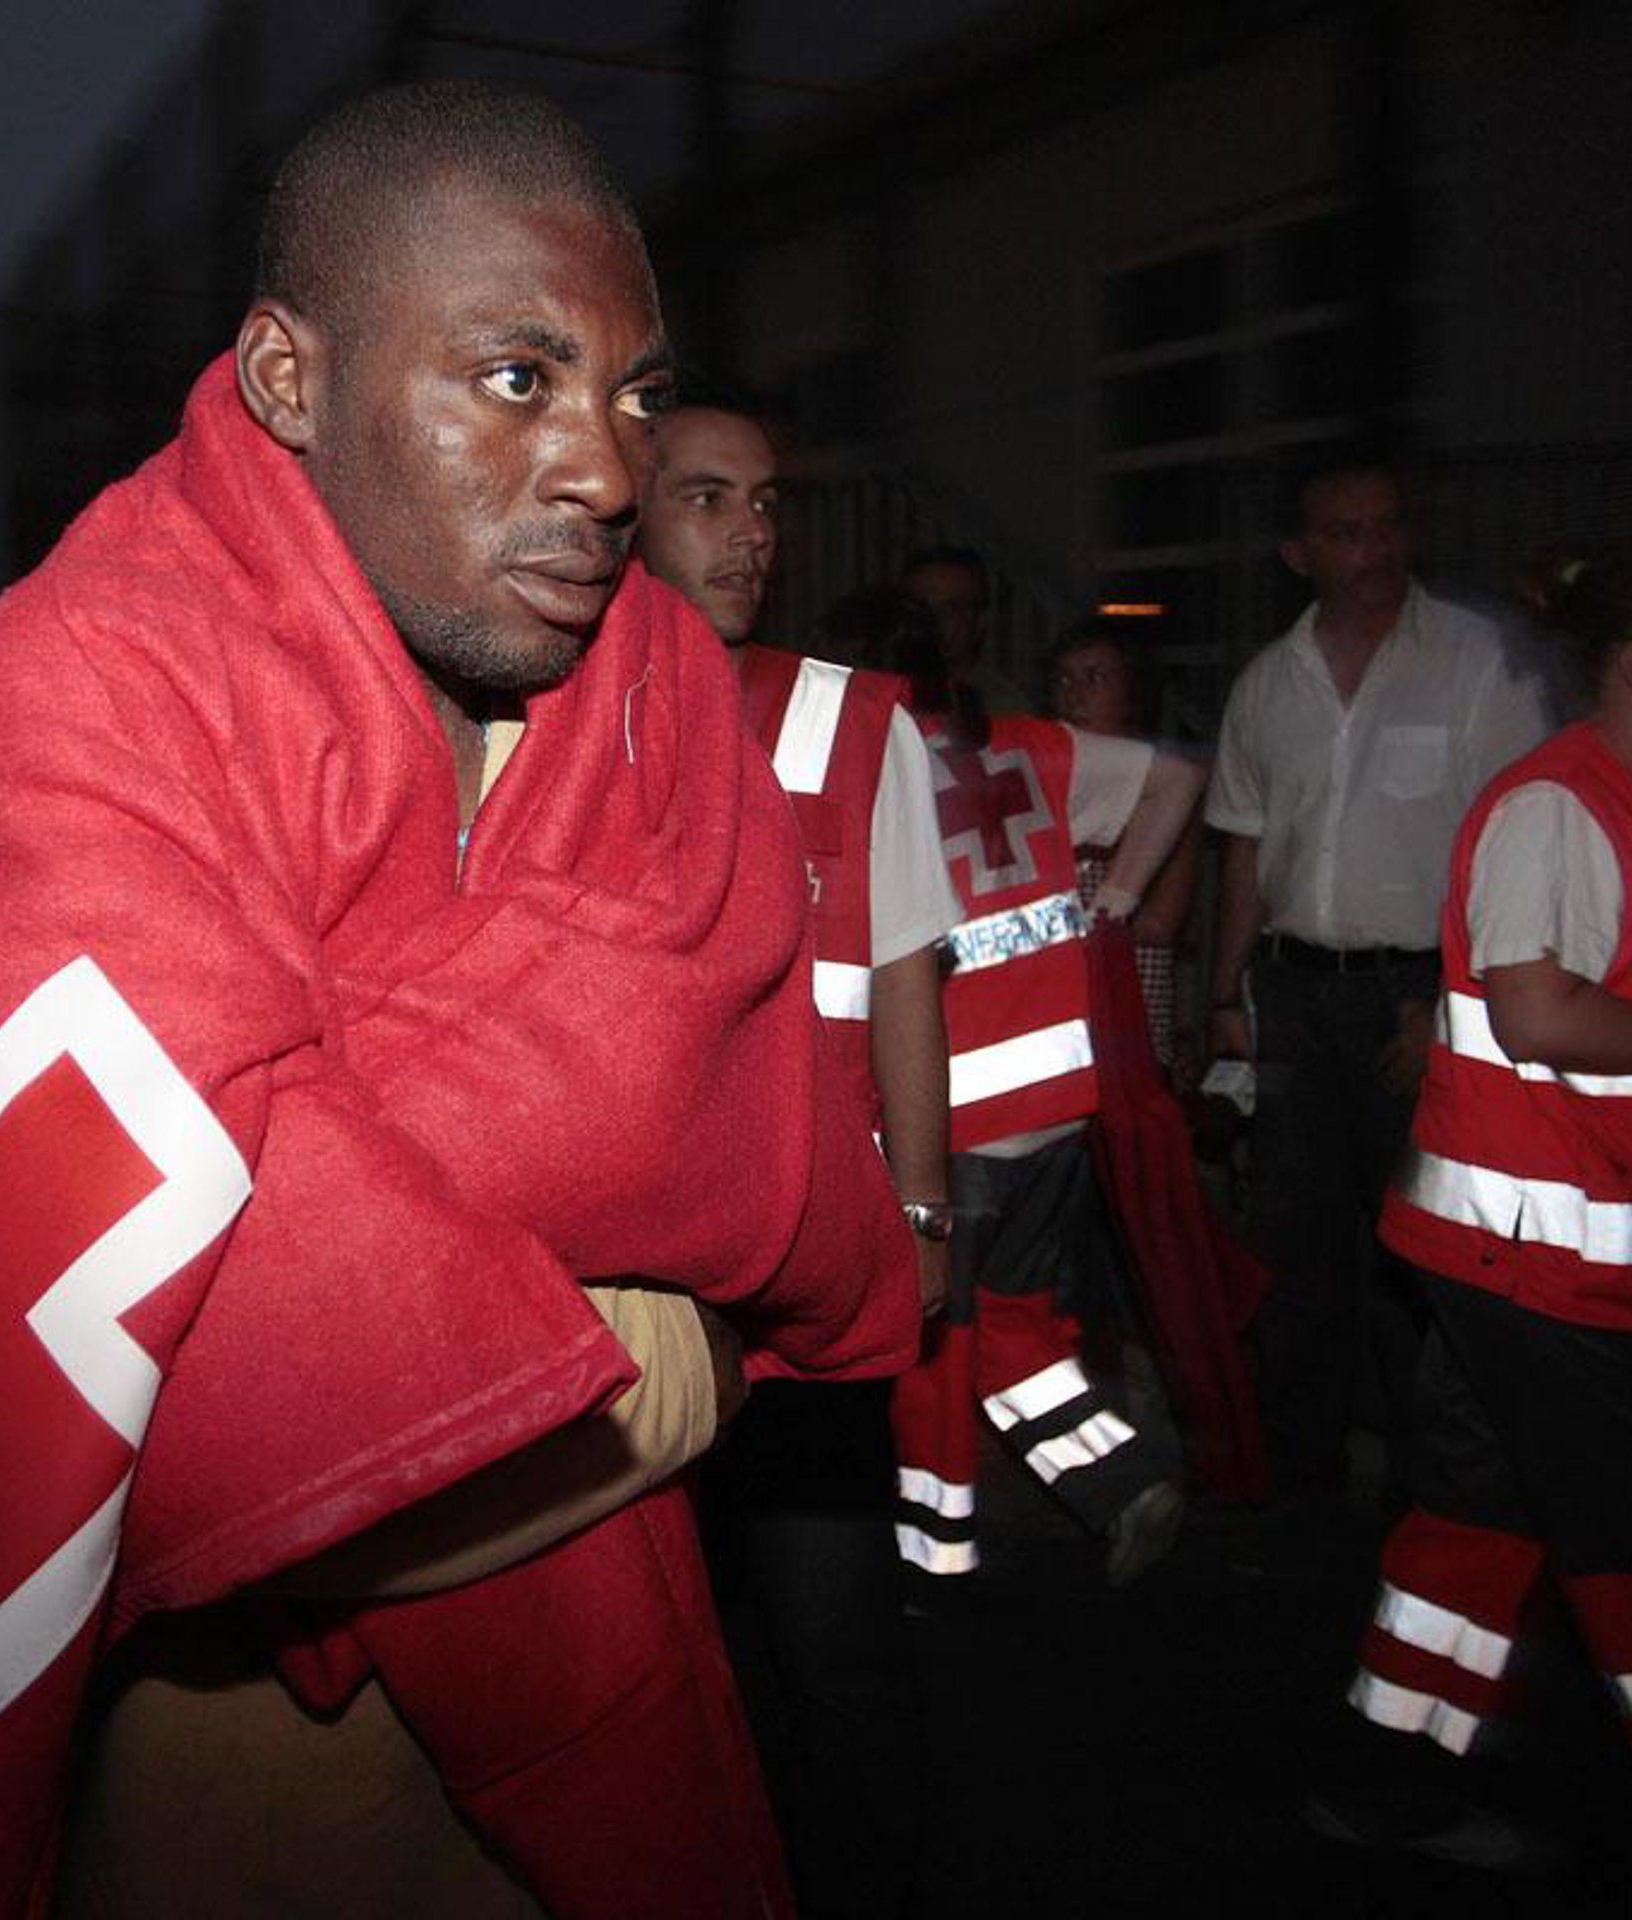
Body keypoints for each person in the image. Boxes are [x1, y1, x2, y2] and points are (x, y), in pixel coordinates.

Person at [0, 82, 920, 1919]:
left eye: (632, 395)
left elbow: (765, 1174)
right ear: (290, 378)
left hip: (613, 1679)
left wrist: (358, 1166)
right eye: (516, 378)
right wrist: (645, 1358)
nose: (604, 470)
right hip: (219, 1749)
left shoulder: (660, 686)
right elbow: (133, 1367)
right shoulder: (90, 672)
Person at [1335, 539, 1632, 1860]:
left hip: (1540, 1248)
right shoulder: (1560, 807)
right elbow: (1540, 1013)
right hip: (1549, 1257)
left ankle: (1389, 1775)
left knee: (1480, 1521)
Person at [640, 391, 960, 1919]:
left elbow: (905, 974)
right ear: (623, 505)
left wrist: (927, 1209)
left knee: (834, 1634)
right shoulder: (542, 708)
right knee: (657, 1653)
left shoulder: (854, 719)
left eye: (763, 502)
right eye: (708, 497)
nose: (751, 532)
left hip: (811, 1260)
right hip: (630, 1273)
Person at [1205, 462, 1552, 1500]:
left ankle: (1435, 1490)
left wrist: (1450, 1000)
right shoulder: (1269, 682)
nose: (1374, 551)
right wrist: (1225, 994)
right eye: (1347, 533)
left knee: (1419, 1249)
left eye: (1389, 526)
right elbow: (1245, 848)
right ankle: (1297, 1478)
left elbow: (1513, 845)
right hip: (1295, 992)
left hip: (1417, 990)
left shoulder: (1478, 662)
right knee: (1293, 1247)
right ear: (1299, 553)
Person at [887, 632, 1208, 1585]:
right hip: (1059, 1102)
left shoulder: (882, 764)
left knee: (934, 1342)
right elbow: (1178, 776)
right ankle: (1123, 1481)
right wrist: (1113, 901)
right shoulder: (1035, 745)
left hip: (952, 1115)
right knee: (1016, 1323)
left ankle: (935, 1555)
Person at [1048, 614, 1201, 1076]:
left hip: (1127, 996)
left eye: (1094, 678)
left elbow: (1160, 922)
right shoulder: (1046, 774)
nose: (1075, 695)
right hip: (1058, 1004)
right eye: (1064, 679)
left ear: (1132, 689)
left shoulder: (1164, 784)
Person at [903, 544, 1028, 714]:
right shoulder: (878, 691)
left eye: (950, 608)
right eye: (920, 607)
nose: (932, 619)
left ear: (979, 621)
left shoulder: (1003, 707)